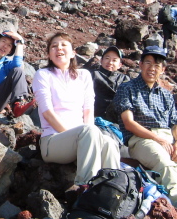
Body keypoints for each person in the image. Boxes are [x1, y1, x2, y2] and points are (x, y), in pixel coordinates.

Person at [112, 46, 177, 208]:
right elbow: (128, 123)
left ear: (163, 69)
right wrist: (158, 139)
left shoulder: (166, 94)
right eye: (148, 63)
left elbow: (175, 123)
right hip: (141, 139)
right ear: (140, 65)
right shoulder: (127, 88)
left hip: (169, 138)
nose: (152, 68)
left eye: (157, 65)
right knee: (165, 163)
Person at [32, 32, 121, 188]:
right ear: (49, 55)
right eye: (54, 46)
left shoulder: (84, 75)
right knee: (89, 132)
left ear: (73, 53)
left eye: (64, 45)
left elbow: (88, 110)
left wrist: (87, 137)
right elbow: (47, 112)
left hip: (82, 137)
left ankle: (112, 191)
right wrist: (79, 136)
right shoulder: (43, 75)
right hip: (53, 140)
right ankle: (86, 188)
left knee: (109, 143)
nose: (59, 48)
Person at [0, 31, 35, 117]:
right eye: (3, 41)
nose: (5, 46)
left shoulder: (6, 64)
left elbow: (17, 65)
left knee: (18, 71)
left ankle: (18, 104)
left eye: (9, 45)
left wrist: (20, 42)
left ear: (10, 50)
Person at [92, 46, 129, 121]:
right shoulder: (93, 75)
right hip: (94, 116)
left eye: (114, 60)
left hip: (116, 119)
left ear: (120, 65)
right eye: (107, 58)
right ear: (101, 61)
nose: (110, 62)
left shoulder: (124, 79)